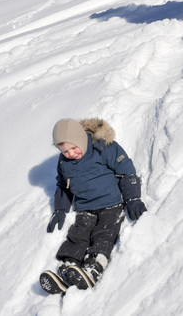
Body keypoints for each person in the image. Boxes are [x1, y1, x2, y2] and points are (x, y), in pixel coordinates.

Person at [39, 118, 146, 295]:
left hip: (111, 204)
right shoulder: (63, 163)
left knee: (104, 232)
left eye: (74, 148)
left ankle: (94, 265)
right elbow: (62, 185)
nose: (71, 153)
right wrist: (60, 209)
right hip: (85, 207)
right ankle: (68, 268)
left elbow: (126, 169)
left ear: (80, 139)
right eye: (64, 151)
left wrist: (133, 198)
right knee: (78, 234)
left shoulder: (101, 147)